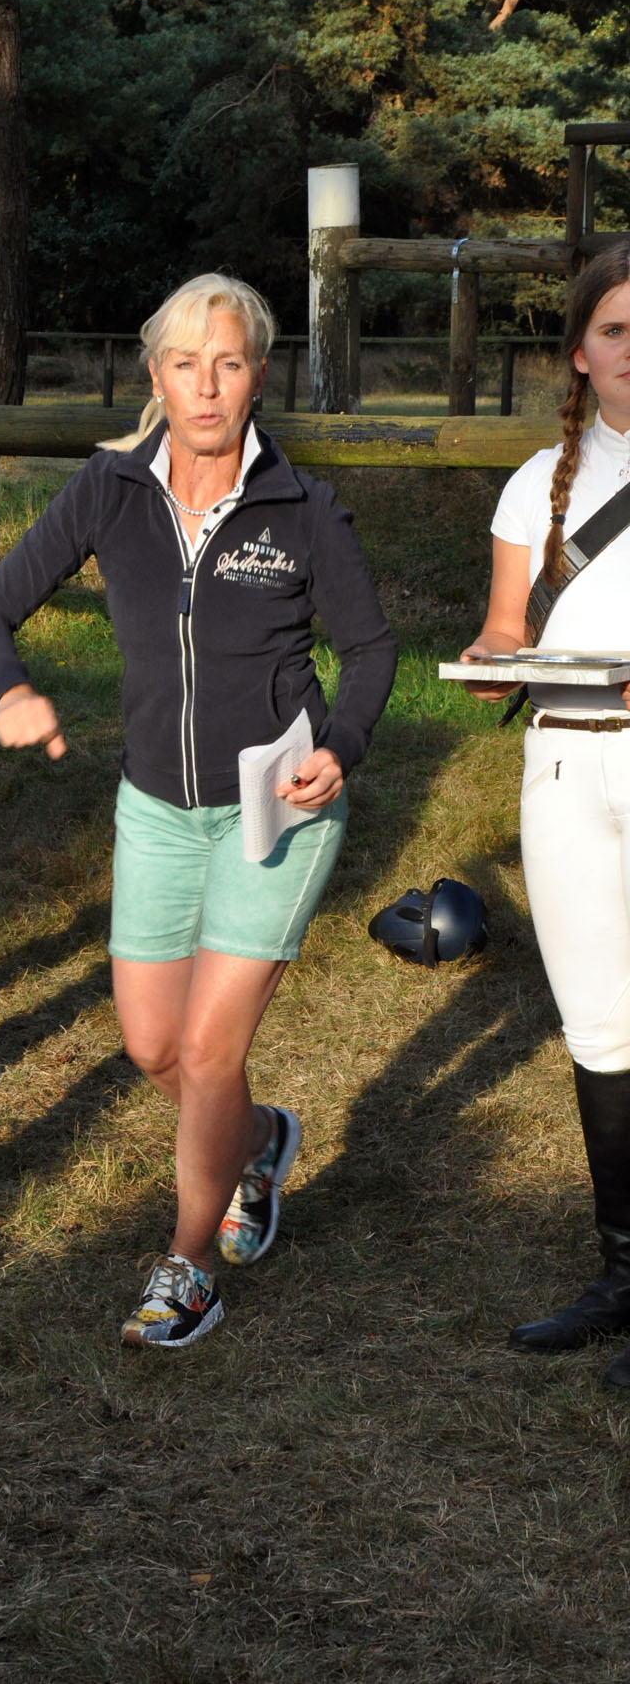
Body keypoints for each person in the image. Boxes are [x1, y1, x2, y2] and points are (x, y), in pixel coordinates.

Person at [0, 273, 396, 1348]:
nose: (206, 386)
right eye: (186, 364)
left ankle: (188, 1264)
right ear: (155, 374)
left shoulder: (300, 507)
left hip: (274, 810)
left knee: (205, 1051)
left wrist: (337, 747)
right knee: (154, 1046)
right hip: (154, 806)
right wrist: (9, 692)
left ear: (258, 377)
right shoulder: (109, 490)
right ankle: (263, 1139)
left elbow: (372, 649)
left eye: (228, 363)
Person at [460, 244, 630, 1388]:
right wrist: (487, 661)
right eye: (615, 330)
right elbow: (506, 627)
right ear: (578, 352)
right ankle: (622, 1274)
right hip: (563, 766)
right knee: (600, 1025)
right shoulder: (537, 483)